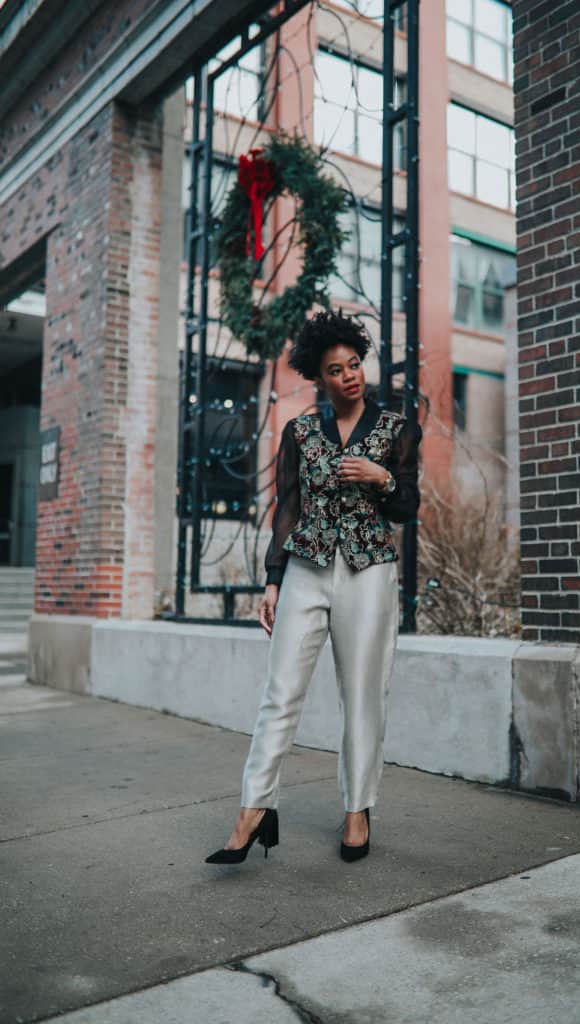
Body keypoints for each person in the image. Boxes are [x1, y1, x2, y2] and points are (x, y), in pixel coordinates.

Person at [205, 309, 422, 866]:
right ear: (320, 377)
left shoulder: (398, 429)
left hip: (368, 570)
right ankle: (253, 809)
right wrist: (273, 581)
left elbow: (405, 508)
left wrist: (384, 477)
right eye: (336, 369)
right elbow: (287, 510)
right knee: (279, 693)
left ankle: (357, 811)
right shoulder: (300, 432)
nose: (349, 375)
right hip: (305, 566)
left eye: (354, 365)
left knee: (363, 696)